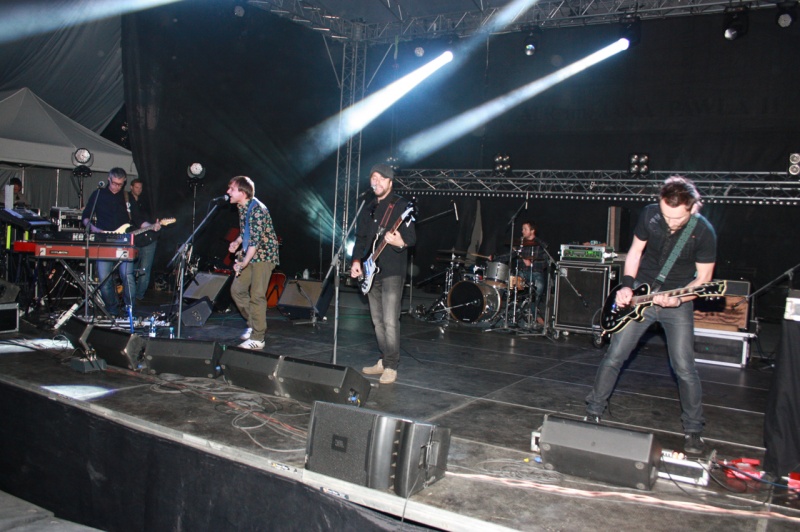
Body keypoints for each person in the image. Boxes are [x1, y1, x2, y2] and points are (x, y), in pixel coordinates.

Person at [585, 176, 716, 455]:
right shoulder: (649, 215)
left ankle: (694, 431)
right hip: (641, 295)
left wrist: (678, 298)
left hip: (677, 300)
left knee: (684, 367)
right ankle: (593, 412)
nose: (670, 222)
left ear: (692, 207)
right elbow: (635, 252)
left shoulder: (703, 232)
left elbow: (703, 280)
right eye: (666, 215)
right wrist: (626, 286)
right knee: (614, 356)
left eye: (677, 218)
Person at [350, 164, 416, 385]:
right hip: (371, 271)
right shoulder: (369, 207)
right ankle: (383, 358)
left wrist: (399, 242)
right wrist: (356, 261)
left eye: (380, 178)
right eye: (373, 178)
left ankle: (391, 366)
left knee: (389, 320)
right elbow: (361, 238)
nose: (375, 182)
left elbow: (411, 238)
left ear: (390, 181)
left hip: (393, 271)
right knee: (377, 321)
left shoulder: (402, 206)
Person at [227, 176, 280, 350]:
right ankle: (254, 324)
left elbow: (255, 242)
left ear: (243, 192)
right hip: (251, 254)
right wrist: (237, 242)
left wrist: (243, 262)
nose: (228, 192)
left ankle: (258, 338)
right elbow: (247, 232)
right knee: (237, 290)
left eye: (232, 189)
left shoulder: (257, 210)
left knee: (257, 295)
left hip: (263, 257)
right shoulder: (242, 207)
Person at [82, 167, 136, 316]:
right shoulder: (98, 194)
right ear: (108, 179)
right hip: (104, 241)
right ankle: (112, 309)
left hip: (124, 241)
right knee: (104, 279)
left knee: (127, 276)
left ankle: (130, 310)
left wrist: (150, 225)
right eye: (114, 183)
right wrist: (94, 229)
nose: (117, 187)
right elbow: (85, 217)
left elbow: (138, 217)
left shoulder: (126, 197)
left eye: (120, 184)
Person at [128, 178, 161, 300]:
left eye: (140, 188)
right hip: (133, 239)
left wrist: (154, 225)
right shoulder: (126, 200)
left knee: (145, 270)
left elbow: (152, 217)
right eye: (136, 187)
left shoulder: (145, 202)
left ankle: (139, 296)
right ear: (131, 187)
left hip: (148, 239)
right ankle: (129, 295)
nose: (139, 190)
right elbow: (135, 219)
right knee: (129, 270)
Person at [516, 221, 547, 318]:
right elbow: (511, 255)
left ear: (532, 231)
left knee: (539, 286)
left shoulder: (540, 245)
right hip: (522, 272)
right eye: (522, 229)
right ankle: (516, 310)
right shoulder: (521, 243)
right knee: (512, 282)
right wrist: (495, 257)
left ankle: (534, 313)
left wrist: (532, 264)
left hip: (536, 273)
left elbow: (545, 262)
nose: (522, 231)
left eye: (525, 229)